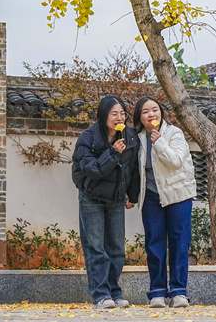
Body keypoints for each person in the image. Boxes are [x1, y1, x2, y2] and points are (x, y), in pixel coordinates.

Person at [71, 95, 140, 310]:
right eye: (114, 114)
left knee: (117, 249)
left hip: (116, 199)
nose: (119, 117)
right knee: (96, 248)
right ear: (104, 115)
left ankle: (114, 293)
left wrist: (133, 195)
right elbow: (92, 170)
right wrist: (112, 152)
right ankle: (101, 295)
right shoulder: (88, 137)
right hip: (92, 197)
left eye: (122, 113)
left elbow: (133, 170)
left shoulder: (130, 137)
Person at [133, 96, 197, 309]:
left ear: (161, 112)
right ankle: (157, 292)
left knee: (179, 243)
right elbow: (134, 170)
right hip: (151, 196)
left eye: (155, 110)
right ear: (139, 117)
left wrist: (159, 142)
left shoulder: (174, 133)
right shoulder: (137, 138)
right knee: (154, 244)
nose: (151, 114)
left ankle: (179, 292)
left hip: (178, 195)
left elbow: (176, 161)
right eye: (145, 111)